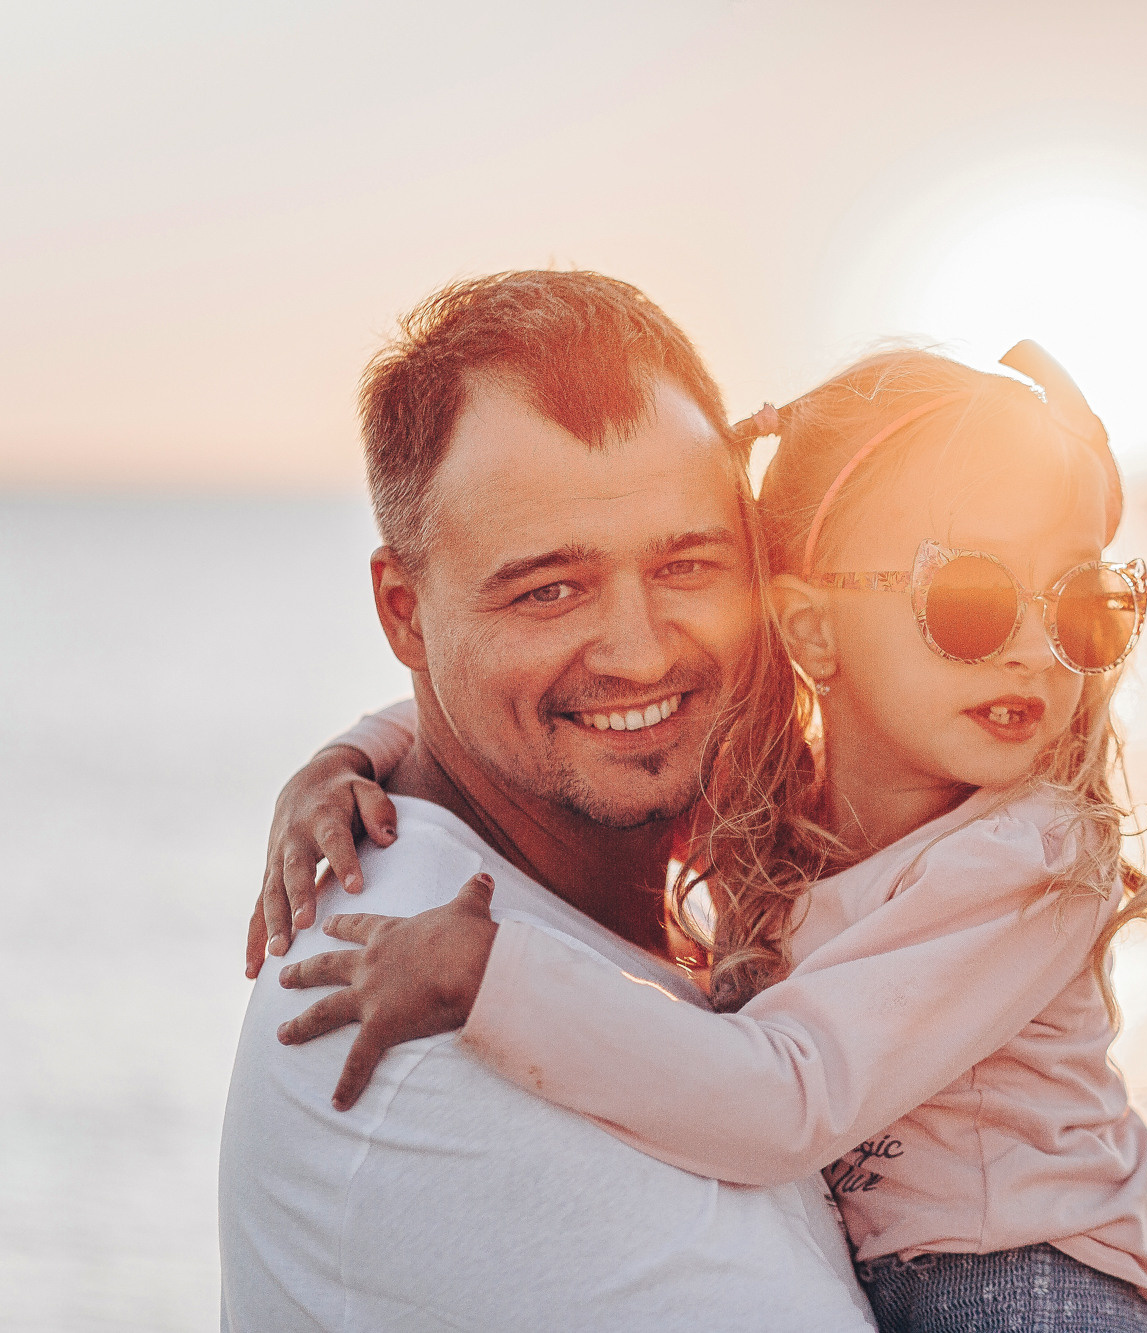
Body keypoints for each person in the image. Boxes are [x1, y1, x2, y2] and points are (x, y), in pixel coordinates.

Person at [267, 345, 1147, 1329]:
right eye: (971, 599)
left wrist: (491, 978)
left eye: (1084, 609)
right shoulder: (778, 793)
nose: (1032, 650)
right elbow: (558, 711)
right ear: (813, 628)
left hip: (1032, 1292)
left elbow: (790, 1097)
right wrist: (349, 759)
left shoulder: (1027, 860)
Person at [219, 270, 875, 1330]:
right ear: (406, 612)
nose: (639, 650)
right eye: (548, 590)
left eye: (685, 564)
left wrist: (356, 742)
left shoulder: (589, 889)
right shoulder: (412, 1026)